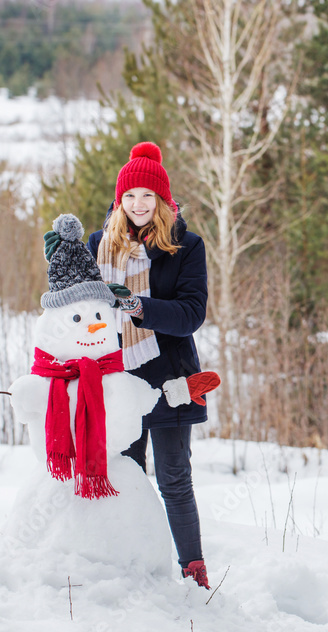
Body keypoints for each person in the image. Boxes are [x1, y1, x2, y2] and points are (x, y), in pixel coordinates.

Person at [65, 141, 210, 589]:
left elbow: (192, 314)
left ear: (163, 200)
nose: (139, 204)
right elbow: (82, 309)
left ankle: (193, 571)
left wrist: (140, 308)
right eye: (130, 196)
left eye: (148, 196)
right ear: (119, 200)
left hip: (170, 379)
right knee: (123, 475)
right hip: (117, 379)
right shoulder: (97, 244)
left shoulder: (186, 246)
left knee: (173, 478)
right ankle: (128, 569)